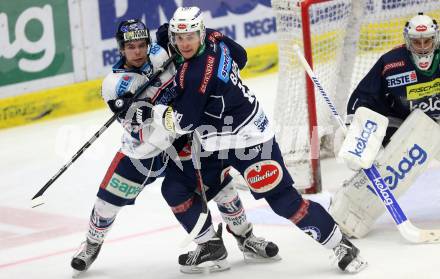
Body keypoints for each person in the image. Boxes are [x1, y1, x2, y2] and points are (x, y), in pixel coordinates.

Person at [147, 6, 368, 273]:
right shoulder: (216, 40)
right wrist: (168, 37)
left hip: (249, 143)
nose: (184, 43)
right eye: (179, 37)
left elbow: (184, 122)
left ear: (201, 33)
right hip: (216, 141)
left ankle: (340, 245)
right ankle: (216, 246)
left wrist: (154, 112)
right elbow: (241, 56)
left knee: (284, 201)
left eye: (190, 36)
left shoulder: (195, 73)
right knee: (176, 187)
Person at [70, 18, 279, 277]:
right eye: (131, 47)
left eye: (141, 44)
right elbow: (134, 127)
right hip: (143, 153)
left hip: (182, 141)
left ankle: (245, 237)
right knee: (105, 203)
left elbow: (181, 43)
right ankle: (91, 245)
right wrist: (134, 112)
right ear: (121, 49)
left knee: (223, 188)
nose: (137, 51)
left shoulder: (161, 53)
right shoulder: (114, 84)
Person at [329, 13, 440, 238]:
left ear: (435, 39)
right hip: (401, 124)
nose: (421, 47)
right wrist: (353, 127)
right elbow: (364, 95)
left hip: (435, 124)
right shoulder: (392, 62)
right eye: (416, 41)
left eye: (426, 40)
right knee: (390, 165)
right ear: (408, 41)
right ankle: (348, 210)